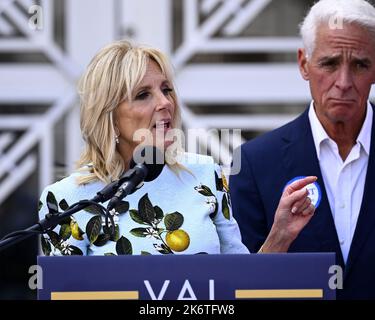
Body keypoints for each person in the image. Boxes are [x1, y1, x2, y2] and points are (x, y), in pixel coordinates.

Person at [38, 40, 315, 258]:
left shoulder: (205, 175)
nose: (165, 103)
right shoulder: (65, 202)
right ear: (108, 114)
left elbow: (241, 283)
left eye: (166, 89)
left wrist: (279, 235)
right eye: (143, 94)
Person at [230, 0, 375, 299]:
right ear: (303, 64)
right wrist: (279, 239)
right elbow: (239, 288)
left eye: (360, 64)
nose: (344, 82)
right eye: (330, 63)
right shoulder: (255, 164)